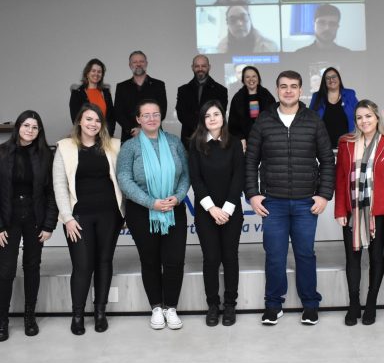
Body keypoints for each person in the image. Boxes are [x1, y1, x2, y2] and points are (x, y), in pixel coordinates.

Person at [245, 70, 335, 326]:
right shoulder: (264, 120)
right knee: (275, 255)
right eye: (283, 86)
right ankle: (273, 305)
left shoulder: (313, 120)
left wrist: (324, 195)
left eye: (293, 86)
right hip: (273, 202)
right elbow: (250, 161)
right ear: (277, 89)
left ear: (300, 90)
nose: (288, 90)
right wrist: (252, 194)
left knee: (305, 254)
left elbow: (327, 160)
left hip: (306, 202)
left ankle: (310, 305)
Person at [117, 99, 190, 330]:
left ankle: (171, 308)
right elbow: (124, 179)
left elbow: (186, 175)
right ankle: (156, 307)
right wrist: (151, 203)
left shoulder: (174, 142)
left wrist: (178, 197)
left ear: (161, 117)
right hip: (142, 212)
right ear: (138, 119)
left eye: (155, 114)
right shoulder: (130, 147)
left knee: (174, 261)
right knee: (150, 261)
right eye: (146, 115)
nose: (151, 118)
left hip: (173, 209)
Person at [52, 103, 124, 335]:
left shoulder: (114, 145)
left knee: (104, 262)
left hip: (109, 215)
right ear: (80, 122)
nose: (93, 124)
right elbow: (59, 185)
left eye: (97, 120)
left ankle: (100, 313)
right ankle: (78, 315)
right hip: (78, 217)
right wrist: (67, 218)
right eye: (89, 119)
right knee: (82, 266)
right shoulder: (64, 147)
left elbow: (122, 179)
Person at [335, 100, 384, 326]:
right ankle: (354, 304)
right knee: (352, 258)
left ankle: (371, 303)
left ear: (377, 117)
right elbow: (340, 179)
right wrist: (339, 210)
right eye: (359, 117)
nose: (364, 121)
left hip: (378, 213)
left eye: (368, 116)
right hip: (351, 211)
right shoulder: (346, 143)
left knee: (376, 257)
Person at [0, 111, 57, 342]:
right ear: (18, 127)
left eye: (35, 127)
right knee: (5, 270)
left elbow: (51, 192)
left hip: (35, 218)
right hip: (8, 218)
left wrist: (49, 224)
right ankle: (2, 321)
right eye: (26, 125)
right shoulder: (2, 152)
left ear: (39, 131)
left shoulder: (46, 155)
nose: (30, 130)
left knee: (32, 267)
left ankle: (29, 317)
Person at [189, 101, 245, 327]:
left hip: (231, 211)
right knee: (211, 258)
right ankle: (213, 305)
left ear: (223, 117)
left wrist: (227, 210)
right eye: (207, 115)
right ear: (203, 120)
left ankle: (230, 304)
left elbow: (239, 177)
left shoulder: (235, 143)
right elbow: (196, 179)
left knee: (230, 257)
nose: (212, 118)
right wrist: (212, 209)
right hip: (206, 212)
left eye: (216, 114)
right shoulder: (195, 144)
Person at [114, 51, 167, 143]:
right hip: (130, 136)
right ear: (130, 65)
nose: (138, 64)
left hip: (154, 135)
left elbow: (162, 110)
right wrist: (132, 129)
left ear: (146, 63)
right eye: (135, 62)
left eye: (141, 61)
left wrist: (143, 129)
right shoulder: (122, 87)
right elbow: (118, 112)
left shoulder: (159, 85)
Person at [176, 54, 228, 147]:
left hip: (213, 139)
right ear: (192, 68)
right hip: (189, 139)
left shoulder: (221, 90)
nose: (200, 69)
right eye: (197, 66)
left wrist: (204, 128)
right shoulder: (183, 90)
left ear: (209, 67)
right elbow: (181, 114)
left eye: (203, 66)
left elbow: (220, 113)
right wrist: (198, 127)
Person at [228, 65, 276, 151]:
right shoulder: (237, 98)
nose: (251, 79)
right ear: (243, 80)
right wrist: (241, 138)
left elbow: (275, 119)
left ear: (258, 78)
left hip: (267, 142)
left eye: (254, 76)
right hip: (245, 145)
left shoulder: (267, 96)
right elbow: (232, 125)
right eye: (247, 77)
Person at [309, 67, 358, 149]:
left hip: (347, 146)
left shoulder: (350, 94)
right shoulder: (317, 96)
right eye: (327, 78)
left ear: (339, 78)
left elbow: (359, 115)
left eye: (334, 76)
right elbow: (310, 119)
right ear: (324, 81)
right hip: (322, 148)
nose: (331, 80)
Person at [69, 58, 116, 136]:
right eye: (93, 71)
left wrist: (109, 134)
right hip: (86, 136)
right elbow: (76, 119)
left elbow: (111, 117)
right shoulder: (77, 93)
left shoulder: (106, 92)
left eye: (99, 72)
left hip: (105, 136)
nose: (96, 74)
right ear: (87, 73)